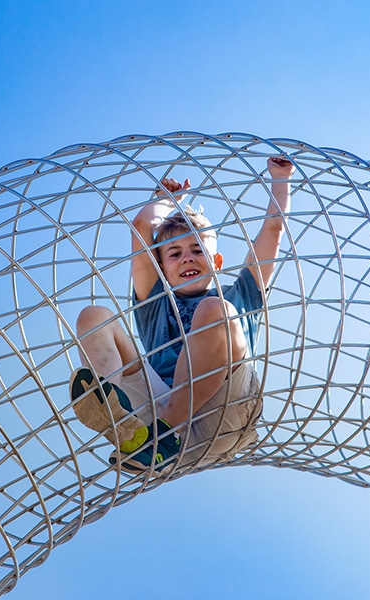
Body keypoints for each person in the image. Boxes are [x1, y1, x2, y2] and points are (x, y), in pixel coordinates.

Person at [69, 156, 295, 473]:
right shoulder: (156, 304)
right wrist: (163, 201)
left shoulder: (239, 294)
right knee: (94, 315)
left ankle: (163, 438)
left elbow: (273, 230)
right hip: (155, 418)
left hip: (223, 413)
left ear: (216, 261)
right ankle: (114, 410)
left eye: (197, 250)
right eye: (174, 253)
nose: (186, 258)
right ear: (162, 267)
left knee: (213, 310)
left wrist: (280, 179)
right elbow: (141, 229)